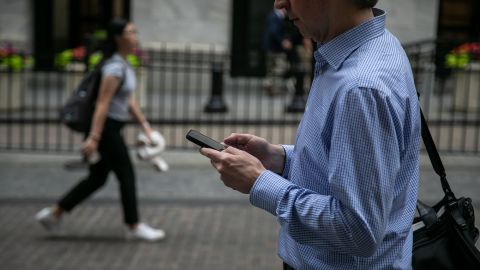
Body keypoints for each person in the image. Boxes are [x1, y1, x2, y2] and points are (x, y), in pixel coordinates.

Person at [200, 0, 420, 269]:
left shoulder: (360, 87)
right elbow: (339, 163)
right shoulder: (373, 46)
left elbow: (358, 231)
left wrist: (260, 181)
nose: (280, 3)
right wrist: (278, 158)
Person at [35, 18, 165, 242]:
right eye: (130, 32)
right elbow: (102, 104)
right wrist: (94, 137)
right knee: (126, 175)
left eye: (135, 31)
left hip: (111, 128)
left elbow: (128, 100)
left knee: (97, 178)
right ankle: (133, 226)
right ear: (118, 38)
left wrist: (145, 126)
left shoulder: (123, 63)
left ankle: (53, 214)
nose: (135, 36)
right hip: (106, 131)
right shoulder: (114, 67)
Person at [262, 7, 293, 96]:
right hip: (275, 48)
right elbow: (274, 31)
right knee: (280, 68)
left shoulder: (272, 15)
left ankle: (269, 84)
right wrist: (283, 41)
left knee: (272, 68)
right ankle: (273, 87)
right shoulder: (276, 16)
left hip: (270, 48)